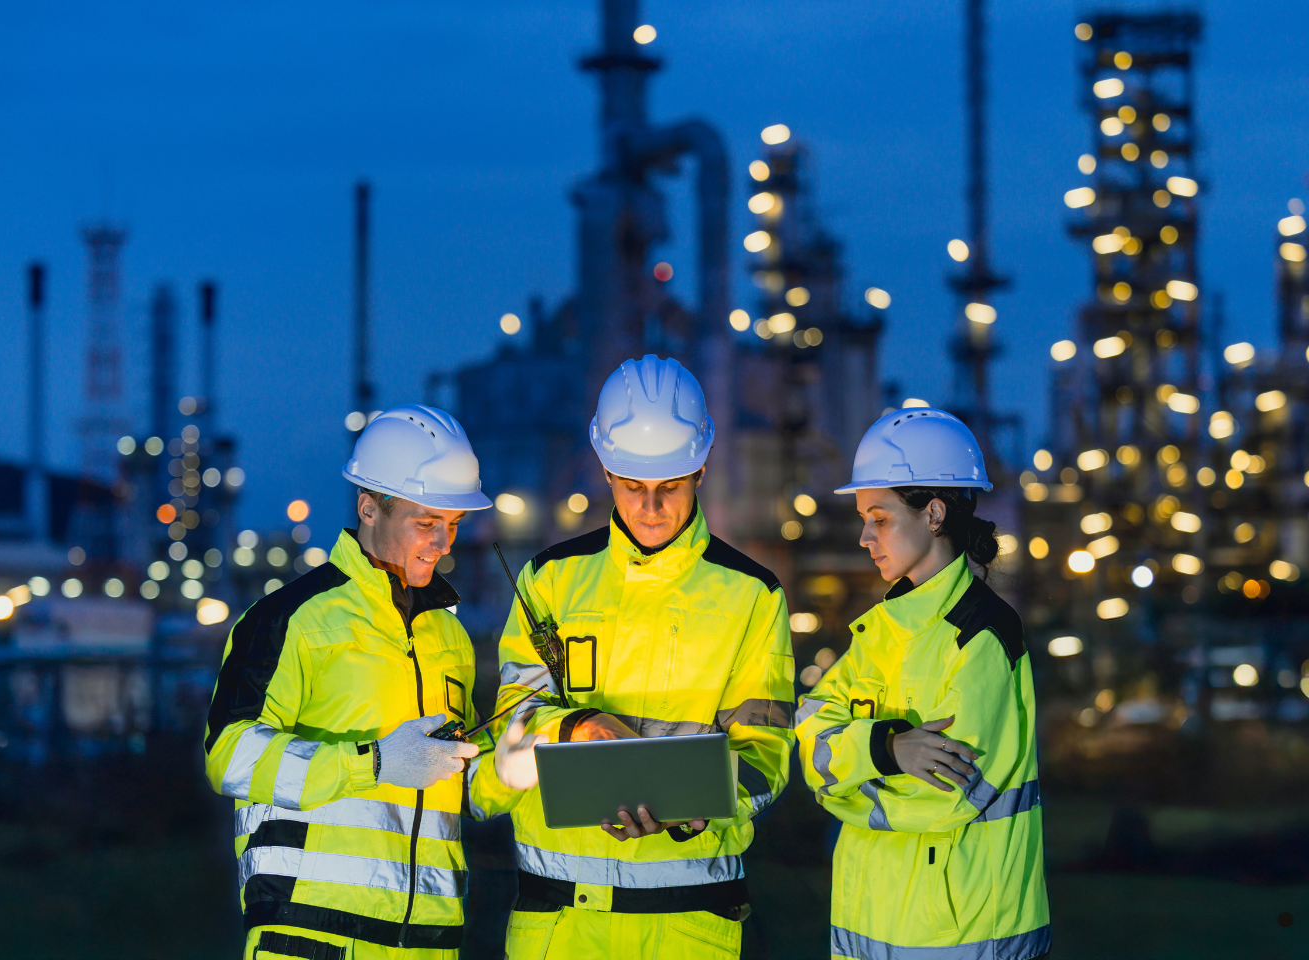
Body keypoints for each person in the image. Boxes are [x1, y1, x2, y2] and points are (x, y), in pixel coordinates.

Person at [469, 355, 796, 960]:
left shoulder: (752, 595)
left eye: (668, 487)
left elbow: (768, 755)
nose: (650, 507)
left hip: (688, 929)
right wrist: (575, 726)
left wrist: (696, 808)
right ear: (605, 470)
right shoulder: (550, 581)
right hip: (559, 927)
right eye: (632, 486)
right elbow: (513, 722)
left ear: (699, 468)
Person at [203, 405, 493, 960]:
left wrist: (505, 769)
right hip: (311, 937)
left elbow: (455, 789)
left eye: (452, 525)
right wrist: (375, 762)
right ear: (368, 508)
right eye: (426, 522)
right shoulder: (289, 620)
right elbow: (229, 755)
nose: (444, 542)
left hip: (428, 944)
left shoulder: (448, 639)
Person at [795, 407, 1051, 960]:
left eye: (879, 518)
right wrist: (888, 748)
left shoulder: (980, 637)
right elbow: (808, 729)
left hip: (963, 936)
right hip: (868, 926)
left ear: (933, 513)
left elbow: (947, 798)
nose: (865, 536)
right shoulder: (880, 632)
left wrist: (841, 777)